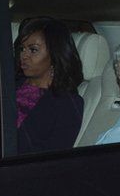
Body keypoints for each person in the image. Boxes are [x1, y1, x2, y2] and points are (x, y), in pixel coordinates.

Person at [14, 17, 84, 154]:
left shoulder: (67, 103)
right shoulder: (7, 85)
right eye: (22, 49)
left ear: (54, 53)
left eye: (33, 50)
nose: (24, 56)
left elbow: (52, 159)